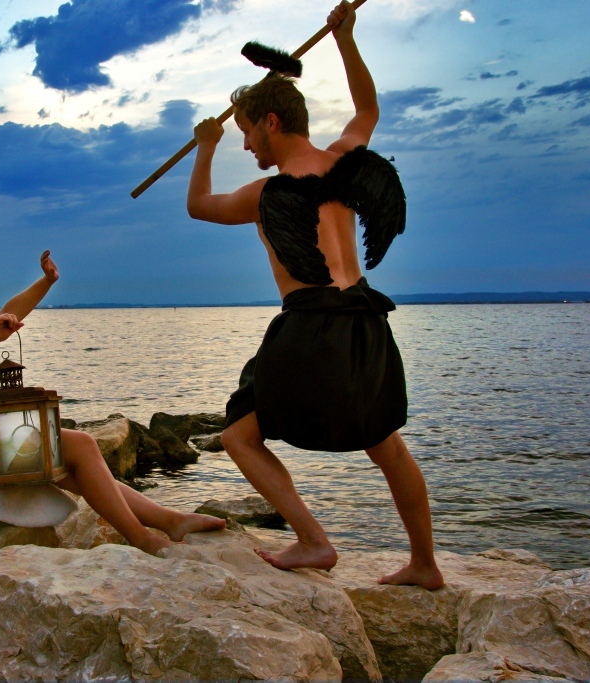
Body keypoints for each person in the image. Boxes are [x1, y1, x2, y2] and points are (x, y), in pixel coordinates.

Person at [185, 1, 443, 588]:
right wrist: (346, 38)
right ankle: (426, 565)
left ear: (272, 122)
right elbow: (367, 109)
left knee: (238, 436)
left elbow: (198, 206)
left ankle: (313, 541)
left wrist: (205, 144)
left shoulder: (265, 194)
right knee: (387, 445)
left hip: (309, 324)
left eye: (246, 133)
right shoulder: (345, 164)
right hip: (365, 318)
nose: (246, 146)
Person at [0, 250, 225, 556]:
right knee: (82, 444)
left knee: (82, 473)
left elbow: (8, 313)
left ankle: (170, 520)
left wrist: (47, 281)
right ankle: (143, 539)